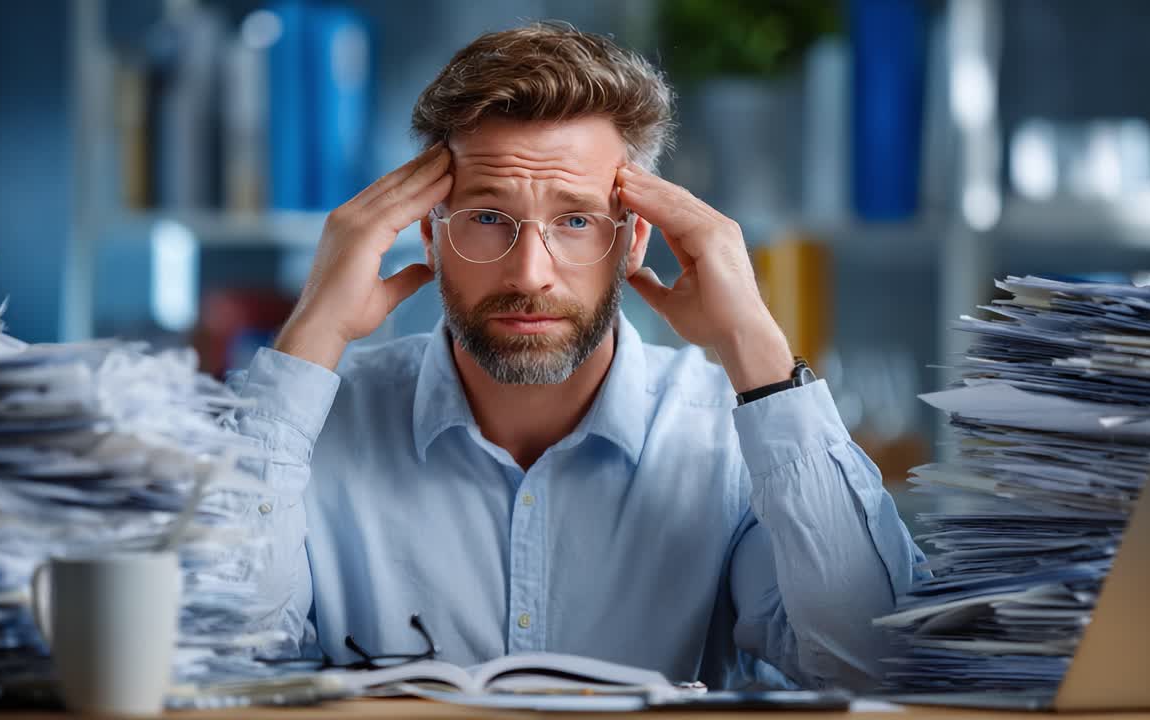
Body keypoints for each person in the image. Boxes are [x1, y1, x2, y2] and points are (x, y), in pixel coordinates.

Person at [229, 22, 922, 691]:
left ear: (635, 238)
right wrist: (311, 336)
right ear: (430, 236)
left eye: (577, 220)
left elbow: (874, 663)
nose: (530, 273)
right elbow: (215, 667)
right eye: (489, 217)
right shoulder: (307, 430)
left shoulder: (732, 439)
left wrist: (756, 346)